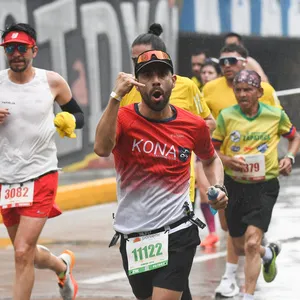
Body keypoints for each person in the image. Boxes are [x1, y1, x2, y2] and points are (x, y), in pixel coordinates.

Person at [94, 49, 228, 300]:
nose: (155, 80)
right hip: (133, 237)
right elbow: (101, 149)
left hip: (177, 231)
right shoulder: (123, 118)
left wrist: (219, 186)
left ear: (173, 80)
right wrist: (115, 97)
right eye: (147, 75)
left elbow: (210, 159)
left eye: (162, 74)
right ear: (137, 84)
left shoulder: (193, 124)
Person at [120, 24, 215, 299]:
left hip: (178, 189)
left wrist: (177, 130)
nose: (150, 77)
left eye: (156, 68)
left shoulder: (185, 85)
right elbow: (106, 144)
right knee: (167, 285)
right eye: (138, 64)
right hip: (139, 208)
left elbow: (206, 122)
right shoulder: (126, 93)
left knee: (173, 265)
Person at [0, 23, 84, 300]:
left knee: (22, 252)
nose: (15, 54)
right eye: (9, 49)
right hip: (7, 179)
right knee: (27, 253)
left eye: (21, 48)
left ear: (34, 50)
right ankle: (62, 266)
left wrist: (68, 120)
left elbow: (79, 116)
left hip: (41, 174)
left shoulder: (52, 82)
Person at [212, 70, 300, 300]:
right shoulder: (226, 116)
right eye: (238, 90)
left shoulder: (275, 115)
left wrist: (289, 157)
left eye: (247, 90)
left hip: (264, 186)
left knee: (252, 243)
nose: (242, 94)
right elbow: (212, 150)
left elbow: (295, 137)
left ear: (259, 92)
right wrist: (229, 160)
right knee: (240, 245)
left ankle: (247, 296)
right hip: (234, 186)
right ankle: (268, 254)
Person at [202, 43, 281, 297]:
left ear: (244, 62)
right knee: (230, 232)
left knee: (250, 241)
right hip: (221, 169)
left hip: (260, 179)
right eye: (222, 61)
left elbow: (276, 120)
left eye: (232, 61)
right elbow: (203, 124)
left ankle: (232, 281)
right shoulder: (210, 89)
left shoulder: (265, 91)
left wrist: (284, 156)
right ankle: (266, 254)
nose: (226, 66)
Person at [195, 58, 222, 248]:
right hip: (201, 147)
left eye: (210, 72)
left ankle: (231, 227)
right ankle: (212, 232)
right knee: (206, 191)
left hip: (225, 149)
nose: (205, 75)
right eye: (204, 72)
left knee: (225, 193)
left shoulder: (227, 94)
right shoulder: (195, 94)